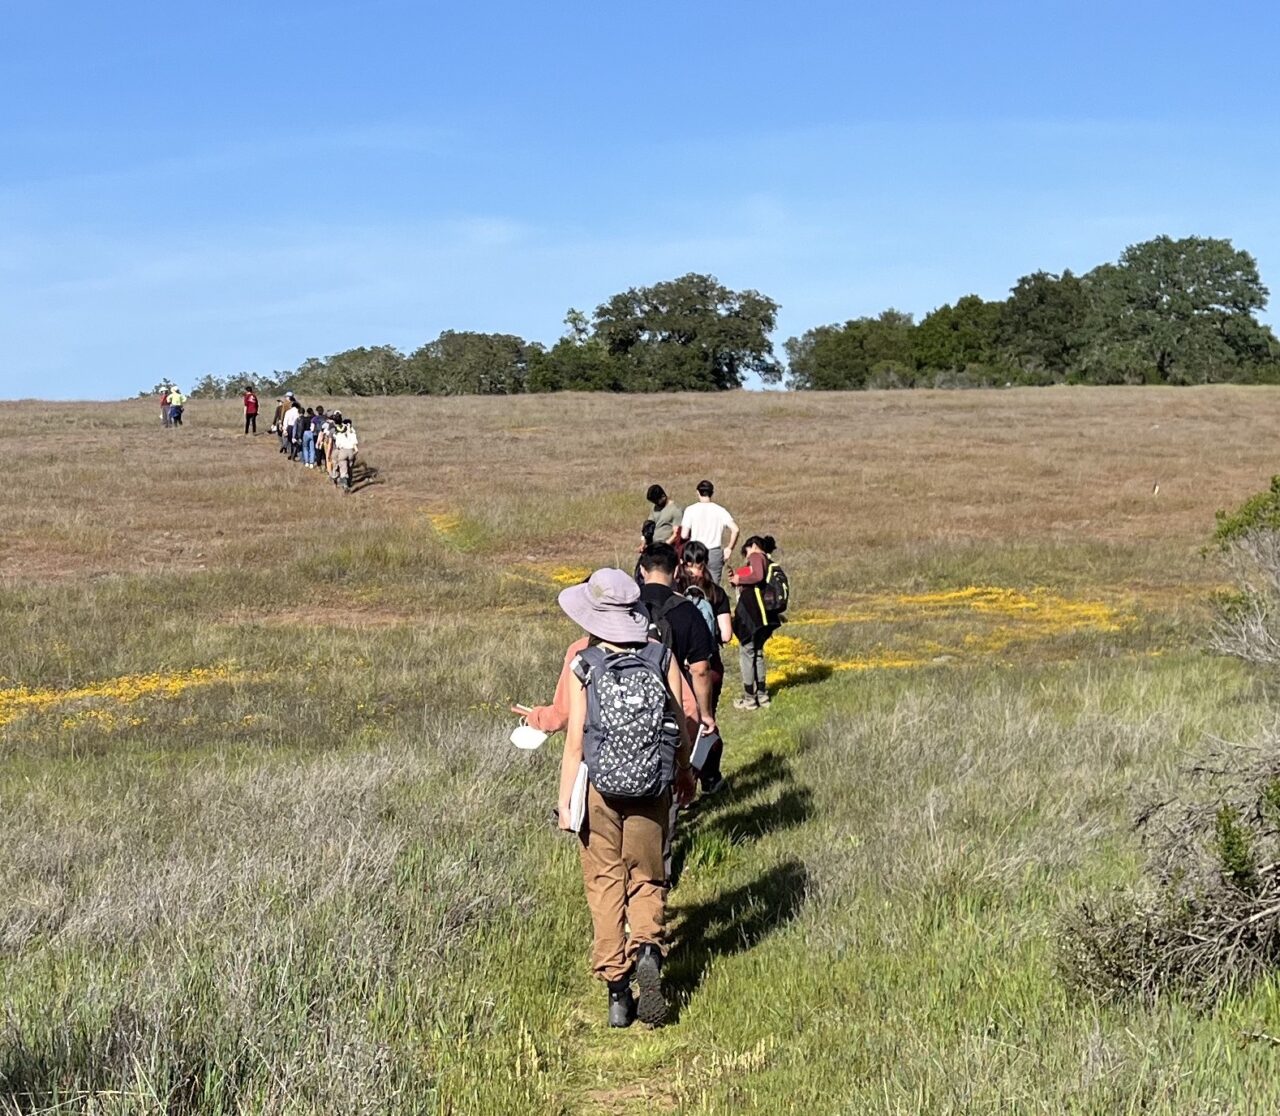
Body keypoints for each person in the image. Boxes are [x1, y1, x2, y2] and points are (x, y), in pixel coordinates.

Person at [554, 568, 695, 1028]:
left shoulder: (584, 664)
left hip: (598, 790)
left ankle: (618, 991)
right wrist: (684, 773)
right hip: (652, 787)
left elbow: (575, 743)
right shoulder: (661, 657)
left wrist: (565, 804)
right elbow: (681, 724)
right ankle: (648, 949)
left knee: (604, 883)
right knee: (648, 878)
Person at [676, 540, 733, 793]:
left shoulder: (677, 593)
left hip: (681, 668)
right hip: (711, 668)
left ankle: (682, 781)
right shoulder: (717, 594)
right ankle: (710, 777)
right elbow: (727, 634)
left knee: (683, 722)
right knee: (708, 722)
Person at [729, 535, 781, 710]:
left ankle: (749, 698)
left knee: (747, 653)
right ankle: (762, 695)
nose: (747, 558)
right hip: (765, 617)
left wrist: (739, 580)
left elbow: (757, 576)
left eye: (746, 552)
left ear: (752, 545)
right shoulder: (767, 559)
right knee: (757, 653)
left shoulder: (756, 555)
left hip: (752, 616)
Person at [680, 480, 739, 585]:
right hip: (714, 552)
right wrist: (729, 548)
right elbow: (735, 529)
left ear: (698, 492)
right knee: (713, 586)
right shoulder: (720, 510)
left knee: (693, 584)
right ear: (712, 493)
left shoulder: (690, 510)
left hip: (696, 552)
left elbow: (684, 534)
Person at [642, 485, 683, 551]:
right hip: (653, 546)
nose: (655, 503)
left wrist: (664, 545)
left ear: (663, 496)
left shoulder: (675, 510)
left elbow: (676, 534)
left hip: (666, 548)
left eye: (656, 501)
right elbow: (648, 526)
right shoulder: (654, 508)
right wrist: (643, 543)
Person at [333, 417, 358, 492]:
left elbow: (338, 445)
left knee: (343, 470)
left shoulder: (339, 434)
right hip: (351, 452)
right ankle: (349, 482)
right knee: (350, 469)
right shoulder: (352, 433)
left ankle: (345, 485)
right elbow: (355, 446)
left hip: (343, 451)